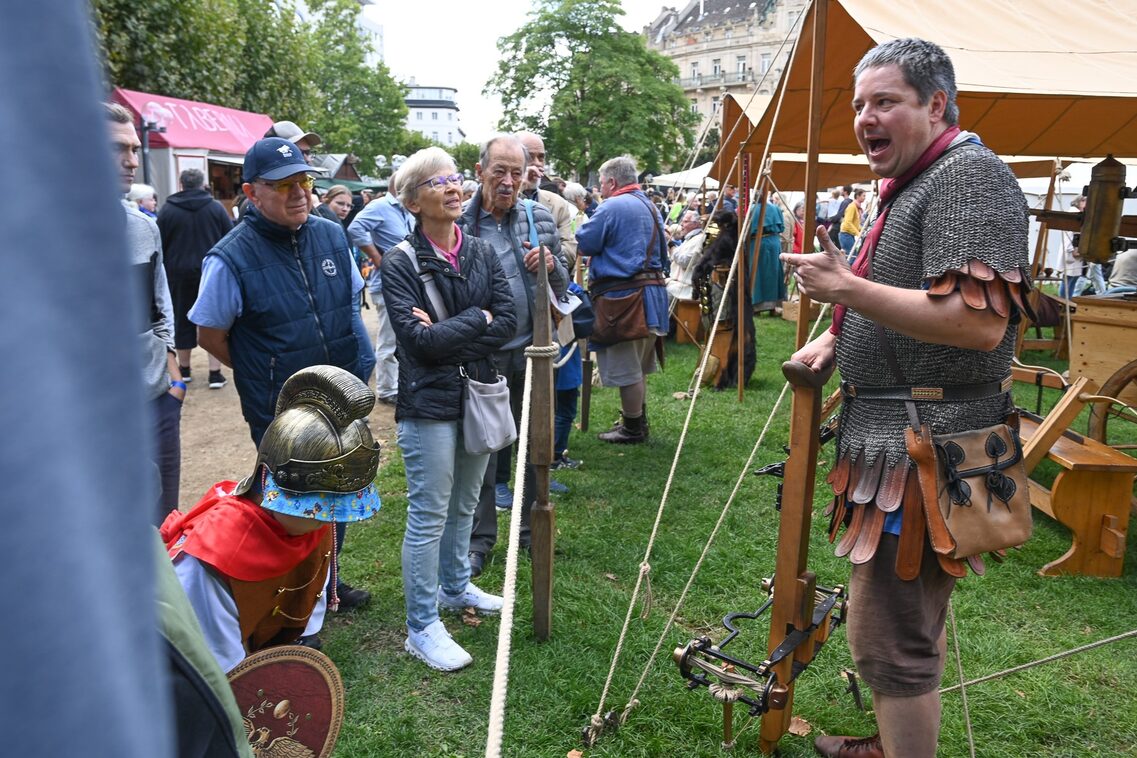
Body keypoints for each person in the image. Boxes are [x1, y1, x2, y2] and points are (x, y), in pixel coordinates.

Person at [783, 38, 1030, 758]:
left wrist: (846, 290)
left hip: (929, 444)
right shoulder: (918, 182)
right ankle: (894, 744)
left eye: (884, 101)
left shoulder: (968, 179)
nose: (865, 116)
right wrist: (838, 337)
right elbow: (916, 297)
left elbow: (978, 325)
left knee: (889, 638)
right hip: (900, 438)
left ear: (935, 104)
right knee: (907, 618)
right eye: (859, 104)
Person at [190, 137, 371, 612]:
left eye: (305, 181)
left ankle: (327, 585)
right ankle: (291, 601)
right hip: (281, 411)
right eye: (284, 185)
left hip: (337, 400)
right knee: (291, 507)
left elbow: (351, 303)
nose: (299, 193)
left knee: (338, 491)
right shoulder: (230, 257)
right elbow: (210, 335)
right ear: (251, 193)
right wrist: (260, 369)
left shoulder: (331, 234)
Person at [381, 147, 517, 671]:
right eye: (440, 181)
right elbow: (417, 344)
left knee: (466, 503)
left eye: (456, 177)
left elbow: (508, 322)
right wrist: (476, 321)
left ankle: (456, 587)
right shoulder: (400, 262)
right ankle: (421, 626)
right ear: (414, 201)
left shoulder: (481, 251)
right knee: (429, 513)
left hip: (477, 393)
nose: (455, 187)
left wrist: (458, 329)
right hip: (428, 405)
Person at [161, 365, 382, 673]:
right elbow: (214, 662)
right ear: (275, 486)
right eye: (319, 506)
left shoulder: (309, 526)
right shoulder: (215, 552)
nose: (328, 518)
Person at [458, 134, 568, 574]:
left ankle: (528, 532)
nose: (508, 181)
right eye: (499, 171)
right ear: (480, 171)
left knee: (533, 446)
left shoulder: (539, 217)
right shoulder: (461, 224)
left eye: (516, 173)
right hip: (482, 355)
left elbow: (561, 290)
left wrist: (552, 266)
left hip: (532, 352)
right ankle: (479, 541)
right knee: (483, 453)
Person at [106, 103, 185, 524]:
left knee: (164, 521)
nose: (132, 161)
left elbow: (160, 307)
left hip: (157, 402)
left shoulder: (143, 226)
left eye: (135, 149)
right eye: (118, 148)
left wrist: (174, 382)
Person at [576, 155, 668, 444]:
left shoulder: (612, 205)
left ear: (612, 182)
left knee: (628, 368)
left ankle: (632, 428)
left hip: (625, 299)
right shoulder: (650, 205)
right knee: (637, 365)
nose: (600, 189)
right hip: (650, 295)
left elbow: (585, 241)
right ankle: (634, 420)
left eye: (602, 183)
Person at [157, 168, 233, 389]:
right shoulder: (215, 208)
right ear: (203, 184)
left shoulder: (168, 211)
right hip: (211, 272)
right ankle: (215, 374)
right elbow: (229, 239)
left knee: (181, 319)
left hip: (177, 273)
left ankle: (184, 369)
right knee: (213, 320)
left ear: (181, 184)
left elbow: (160, 243)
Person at [348, 170, 415, 406]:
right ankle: (388, 390)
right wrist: (378, 258)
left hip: (405, 283)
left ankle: (398, 385)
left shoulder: (407, 208)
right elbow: (355, 228)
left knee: (402, 337)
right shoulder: (380, 206)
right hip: (387, 283)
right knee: (389, 338)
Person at [518, 131, 579, 265]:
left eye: (541, 157)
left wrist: (547, 259)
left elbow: (569, 251)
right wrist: (519, 186)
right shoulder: (500, 199)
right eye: (529, 157)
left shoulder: (558, 204)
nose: (537, 163)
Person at [747, 195, 787, 315]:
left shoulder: (752, 209)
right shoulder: (776, 208)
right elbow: (782, 227)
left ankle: (756, 306)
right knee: (773, 273)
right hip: (774, 242)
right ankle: (773, 306)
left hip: (758, 243)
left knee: (757, 273)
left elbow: (747, 229)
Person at [665, 209, 705, 302]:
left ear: (696, 224)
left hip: (685, 289)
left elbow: (685, 261)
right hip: (676, 285)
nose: (682, 225)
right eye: (682, 221)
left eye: (686, 222)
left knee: (658, 295)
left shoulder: (700, 239)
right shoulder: (689, 239)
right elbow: (675, 258)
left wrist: (670, 243)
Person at [839, 188, 867, 255]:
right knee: (851, 257)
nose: (865, 198)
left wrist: (862, 230)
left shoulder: (856, 207)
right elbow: (848, 222)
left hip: (848, 235)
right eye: (863, 196)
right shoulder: (852, 207)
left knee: (851, 256)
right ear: (858, 196)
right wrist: (858, 233)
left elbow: (855, 223)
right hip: (846, 234)